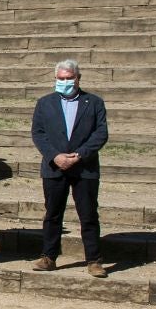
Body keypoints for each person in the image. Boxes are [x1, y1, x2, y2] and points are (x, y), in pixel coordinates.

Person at [30, 60, 109, 277]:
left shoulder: (94, 102)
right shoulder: (45, 103)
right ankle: (48, 256)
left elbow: (100, 133)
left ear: (78, 78)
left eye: (69, 78)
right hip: (54, 167)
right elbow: (38, 133)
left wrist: (80, 155)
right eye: (61, 78)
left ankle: (94, 260)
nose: (65, 82)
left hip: (84, 168)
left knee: (88, 214)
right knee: (53, 214)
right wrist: (54, 156)